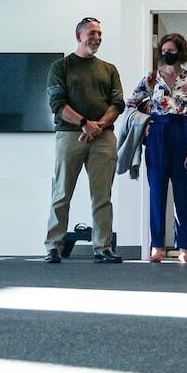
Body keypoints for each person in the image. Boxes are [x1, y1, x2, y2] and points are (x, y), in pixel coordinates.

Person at [43, 17, 126, 264]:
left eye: (100, 33)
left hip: (103, 137)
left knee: (102, 196)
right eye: (92, 33)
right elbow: (57, 104)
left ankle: (102, 247)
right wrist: (84, 123)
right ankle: (53, 246)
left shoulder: (109, 69)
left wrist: (99, 125)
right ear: (78, 36)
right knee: (62, 192)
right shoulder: (61, 67)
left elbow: (117, 103)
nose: (97, 38)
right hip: (70, 135)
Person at [128, 33, 187, 263]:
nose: (166, 54)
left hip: (181, 133)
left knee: (182, 193)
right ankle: (157, 246)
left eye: (171, 50)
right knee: (157, 191)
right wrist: (146, 121)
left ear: (181, 52)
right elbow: (130, 103)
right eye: (164, 50)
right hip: (157, 134)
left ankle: (183, 248)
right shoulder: (151, 79)